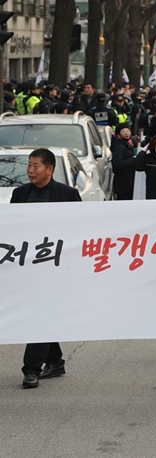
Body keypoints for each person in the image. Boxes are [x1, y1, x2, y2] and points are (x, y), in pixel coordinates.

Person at [11, 148, 82, 389]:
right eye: (29, 165)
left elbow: (82, 229)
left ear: (49, 169)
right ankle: (56, 361)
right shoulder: (19, 194)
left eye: (36, 166)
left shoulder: (68, 194)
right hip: (29, 267)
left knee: (39, 314)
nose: (30, 170)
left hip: (57, 267)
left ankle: (31, 369)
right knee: (43, 313)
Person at [110, 123, 137, 200]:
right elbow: (118, 164)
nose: (126, 133)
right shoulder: (119, 147)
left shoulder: (129, 144)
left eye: (128, 131)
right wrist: (133, 159)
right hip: (123, 183)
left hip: (128, 182)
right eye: (123, 131)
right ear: (118, 135)